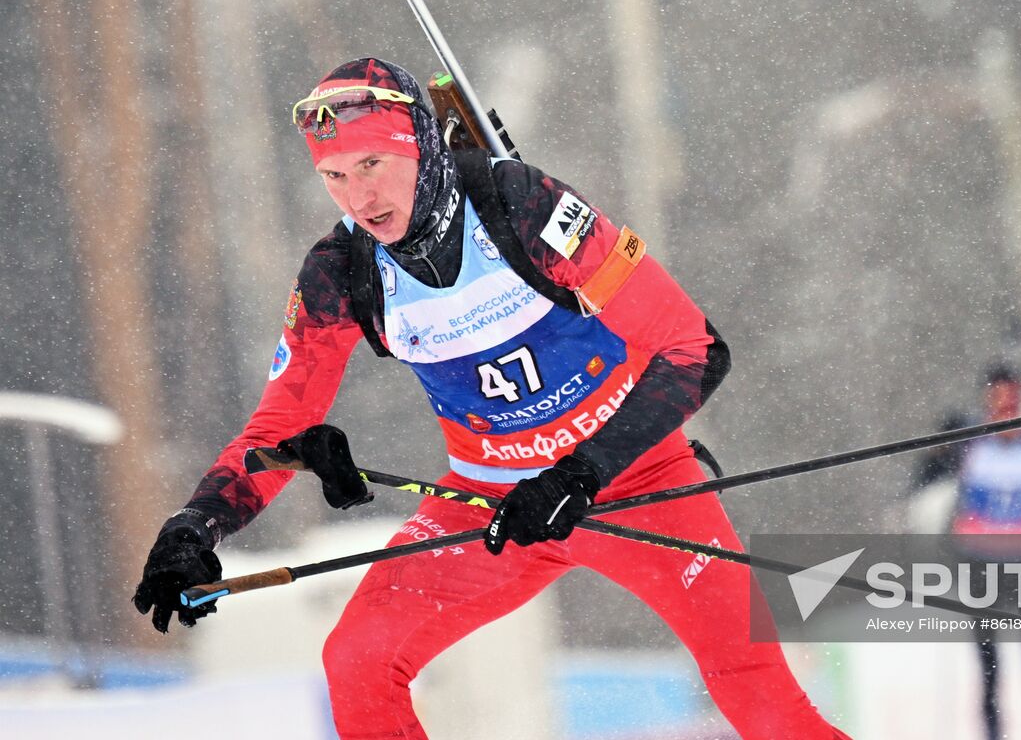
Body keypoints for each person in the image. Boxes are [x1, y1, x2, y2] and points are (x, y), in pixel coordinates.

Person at [132, 58, 850, 739]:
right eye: (335, 176)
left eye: (373, 165)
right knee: (357, 661)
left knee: (758, 695)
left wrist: (580, 474)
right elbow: (278, 427)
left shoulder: (521, 205)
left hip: (637, 481)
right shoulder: (339, 271)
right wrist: (194, 528)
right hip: (488, 504)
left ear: (420, 148)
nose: (359, 198)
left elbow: (696, 349)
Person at [915, 364, 1021, 740]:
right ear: (987, 402)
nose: (1006, 408)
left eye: (1012, 399)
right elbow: (921, 475)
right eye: (998, 399)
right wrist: (939, 441)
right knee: (989, 669)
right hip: (981, 566)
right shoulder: (970, 444)